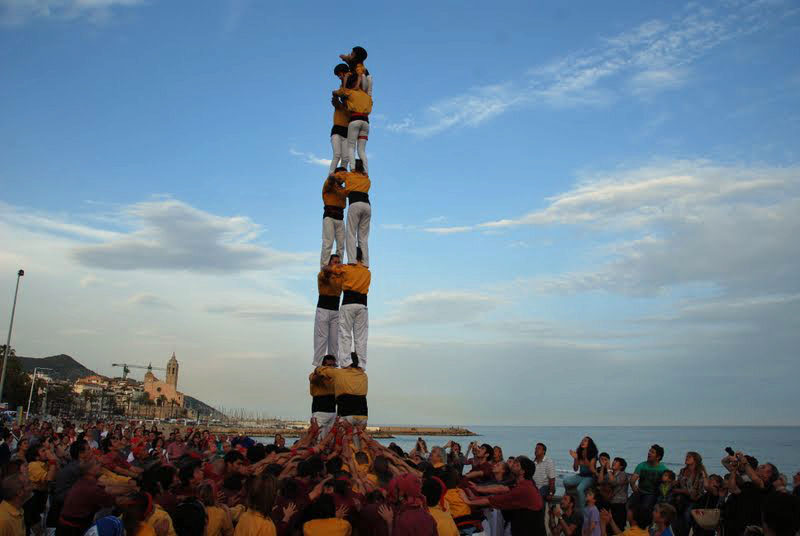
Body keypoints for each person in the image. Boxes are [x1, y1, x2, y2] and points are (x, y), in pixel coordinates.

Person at [462, 456, 544, 536]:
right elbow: (501, 489)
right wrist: (477, 496)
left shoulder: (524, 488)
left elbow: (497, 499)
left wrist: (469, 502)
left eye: (517, 464)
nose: (513, 464)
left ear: (522, 471)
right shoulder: (523, 484)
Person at [322, 247, 371, 368]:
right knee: (361, 337)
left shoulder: (346, 268)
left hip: (348, 303)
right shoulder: (367, 272)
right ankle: (361, 364)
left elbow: (325, 268)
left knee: (345, 334)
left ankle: (345, 362)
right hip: (362, 305)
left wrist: (336, 266)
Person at [334, 161, 371, 268]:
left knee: (351, 233)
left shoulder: (349, 175)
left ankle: (352, 259)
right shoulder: (367, 179)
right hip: (367, 206)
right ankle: (365, 262)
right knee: (363, 237)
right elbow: (356, 189)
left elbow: (336, 176)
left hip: (355, 204)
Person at [332, 73, 372, 174]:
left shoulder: (350, 93)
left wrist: (344, 81)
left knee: (351, 147)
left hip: (355, 120)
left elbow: (339, 92)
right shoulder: (367, 96)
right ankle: (366, 171)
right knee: (362, 150)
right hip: (366, 123)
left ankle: (353, 169)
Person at [312, 362, 368, 429]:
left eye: (334, 365)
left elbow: (320, 369)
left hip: (345, 413)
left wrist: (319, 368)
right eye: (329, 365)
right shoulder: (363, 375)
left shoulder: (339, 373)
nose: (332, 367)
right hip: (362, 414)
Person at [314, 254, 343, 364]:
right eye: (335, 262)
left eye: (338, 262)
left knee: (334, 341)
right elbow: (325, 270)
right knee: (321, 339)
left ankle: (334, 365)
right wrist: (335, 268)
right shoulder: (324, 274)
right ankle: (318, 365)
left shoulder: (340, 277)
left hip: (335, 310)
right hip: (323, 309)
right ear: (330, 263)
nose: (337, 264)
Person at [630, 444, 666, 513]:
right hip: (640, 492)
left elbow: (666, 485)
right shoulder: (642, 465)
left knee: (644, 508)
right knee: (630, 506)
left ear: (658, 457)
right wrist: (636, 492)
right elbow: (632, 482)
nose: (649, 453)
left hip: (653, 494)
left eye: (652, 452)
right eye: (649, 451)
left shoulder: (663, 469)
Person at [564, 436, 598, 510]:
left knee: (580, 489)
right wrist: (576, 458)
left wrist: (585, 456)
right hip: (581, 476)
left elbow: (590, 468)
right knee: (566, 481)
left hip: (590, 477)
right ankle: (570, 498)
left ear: (590, 444)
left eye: (585, 441)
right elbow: (575, 469)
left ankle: (582, 509)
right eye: (582, 440)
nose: (583, 442)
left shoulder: (593, 455)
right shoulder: (578, 453)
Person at [329, 64, 351, 174]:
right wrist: (336, 93)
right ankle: (331, 176)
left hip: (347, 133)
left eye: (339, 75)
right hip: (337, 131)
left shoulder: (351, 109)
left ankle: (342, 177)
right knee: (337, 155)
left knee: (346, 158)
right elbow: (335, 99)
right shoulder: (339, 105)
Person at [308, 354, 337, 440]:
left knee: (330, 439)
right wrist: (321, 374)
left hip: (332, 410)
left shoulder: (334, 378)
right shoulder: (314, 375)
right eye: (329, 365)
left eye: (333, 365)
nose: (331, 368)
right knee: (318, 436)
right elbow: (314, 379)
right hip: (319, 410)